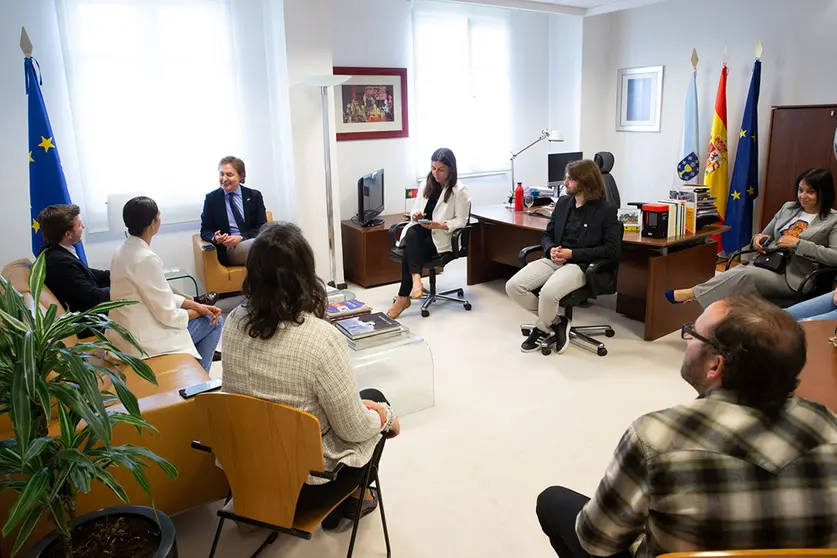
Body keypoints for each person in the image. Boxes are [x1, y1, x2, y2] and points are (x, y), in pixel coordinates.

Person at [535, 295, 837, 558]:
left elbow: (596, 541)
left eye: (693, 334)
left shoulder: (656, 436)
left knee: (552, 501)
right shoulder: (830, 427)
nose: (688, 339)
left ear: (715, 366)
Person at [221, 222, 400, 522]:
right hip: (308, 488)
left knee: (341, 404)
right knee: (375, 399)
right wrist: (385, 416)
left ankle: (349, 498)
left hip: (247, 475)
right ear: (303, 274)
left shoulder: (233, 322)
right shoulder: (320, 337)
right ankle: (354, 499)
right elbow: (353, 429)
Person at [667, 168, 837, 307]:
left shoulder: (833, 220)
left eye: (811, 192)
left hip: (794, 277)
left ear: (824, 193)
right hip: (768, 264)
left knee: (745, 275)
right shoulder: (789, 208)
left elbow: (834, 256)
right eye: (800, 190)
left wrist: (800, 244)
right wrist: (757, 239)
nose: (803, 196)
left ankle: (691, 294)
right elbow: (763, 234)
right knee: (738, 276)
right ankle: (714, 326)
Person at [506, 159, 622, 353]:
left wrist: (572, 253)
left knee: (549, 294)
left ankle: (542, 328)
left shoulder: (606, 211)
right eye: (566, 177)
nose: (565, 182)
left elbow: (612, 250)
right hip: (554, 259)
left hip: (581, 264)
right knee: (514, 287)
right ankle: (557, 322)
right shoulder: (563, 202)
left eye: (571, 179)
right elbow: (547, 234)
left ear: (585, 182)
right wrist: (550, 249)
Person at [108, 197, 223, 372]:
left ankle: (193, 375)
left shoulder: (122, 251)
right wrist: (200, 311)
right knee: (215, 320)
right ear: (153, 223)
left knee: (205, 315)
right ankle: (198, 386)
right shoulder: (146, 258)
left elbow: (160, 295)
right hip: (143, 344)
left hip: (124, 335)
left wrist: (197, 305)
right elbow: (169, 316)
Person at [37, 204, 217, 314]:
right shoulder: (59, 262)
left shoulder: (57, 252)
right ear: (68, 233)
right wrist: (127, 284)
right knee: (151, 290)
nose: (83, 226)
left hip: (98, 306)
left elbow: (94, 274)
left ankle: (193, 301)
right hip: (95, 320)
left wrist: (122, 274)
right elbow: (91, 298)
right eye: (79, 225)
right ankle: (194, 305)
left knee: (146, 280)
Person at [387, 148, 471, 319]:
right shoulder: (426, 185)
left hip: (440, 237)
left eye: (441, 169)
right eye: (433, 168)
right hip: (421, 233)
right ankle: (416, 280)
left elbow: (462, 220)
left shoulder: (460, 191)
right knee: (412, 233)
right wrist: (416, 215)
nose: (436, 173)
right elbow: (414, 211)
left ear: (451, 169)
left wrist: (440, 225)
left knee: (410, 247)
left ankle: (404, 296)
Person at [199, 156, 268, 266]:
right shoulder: (212, 199)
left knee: (278, 243)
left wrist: (242, 238)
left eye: (229, 175)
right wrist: (215, 238)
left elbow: (262, 226)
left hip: (250, 240)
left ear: (241, 176)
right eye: (222, 174)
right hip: (230, 249)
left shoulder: (254, 196)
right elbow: (205, 230)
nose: (224, 179)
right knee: (261, 247)